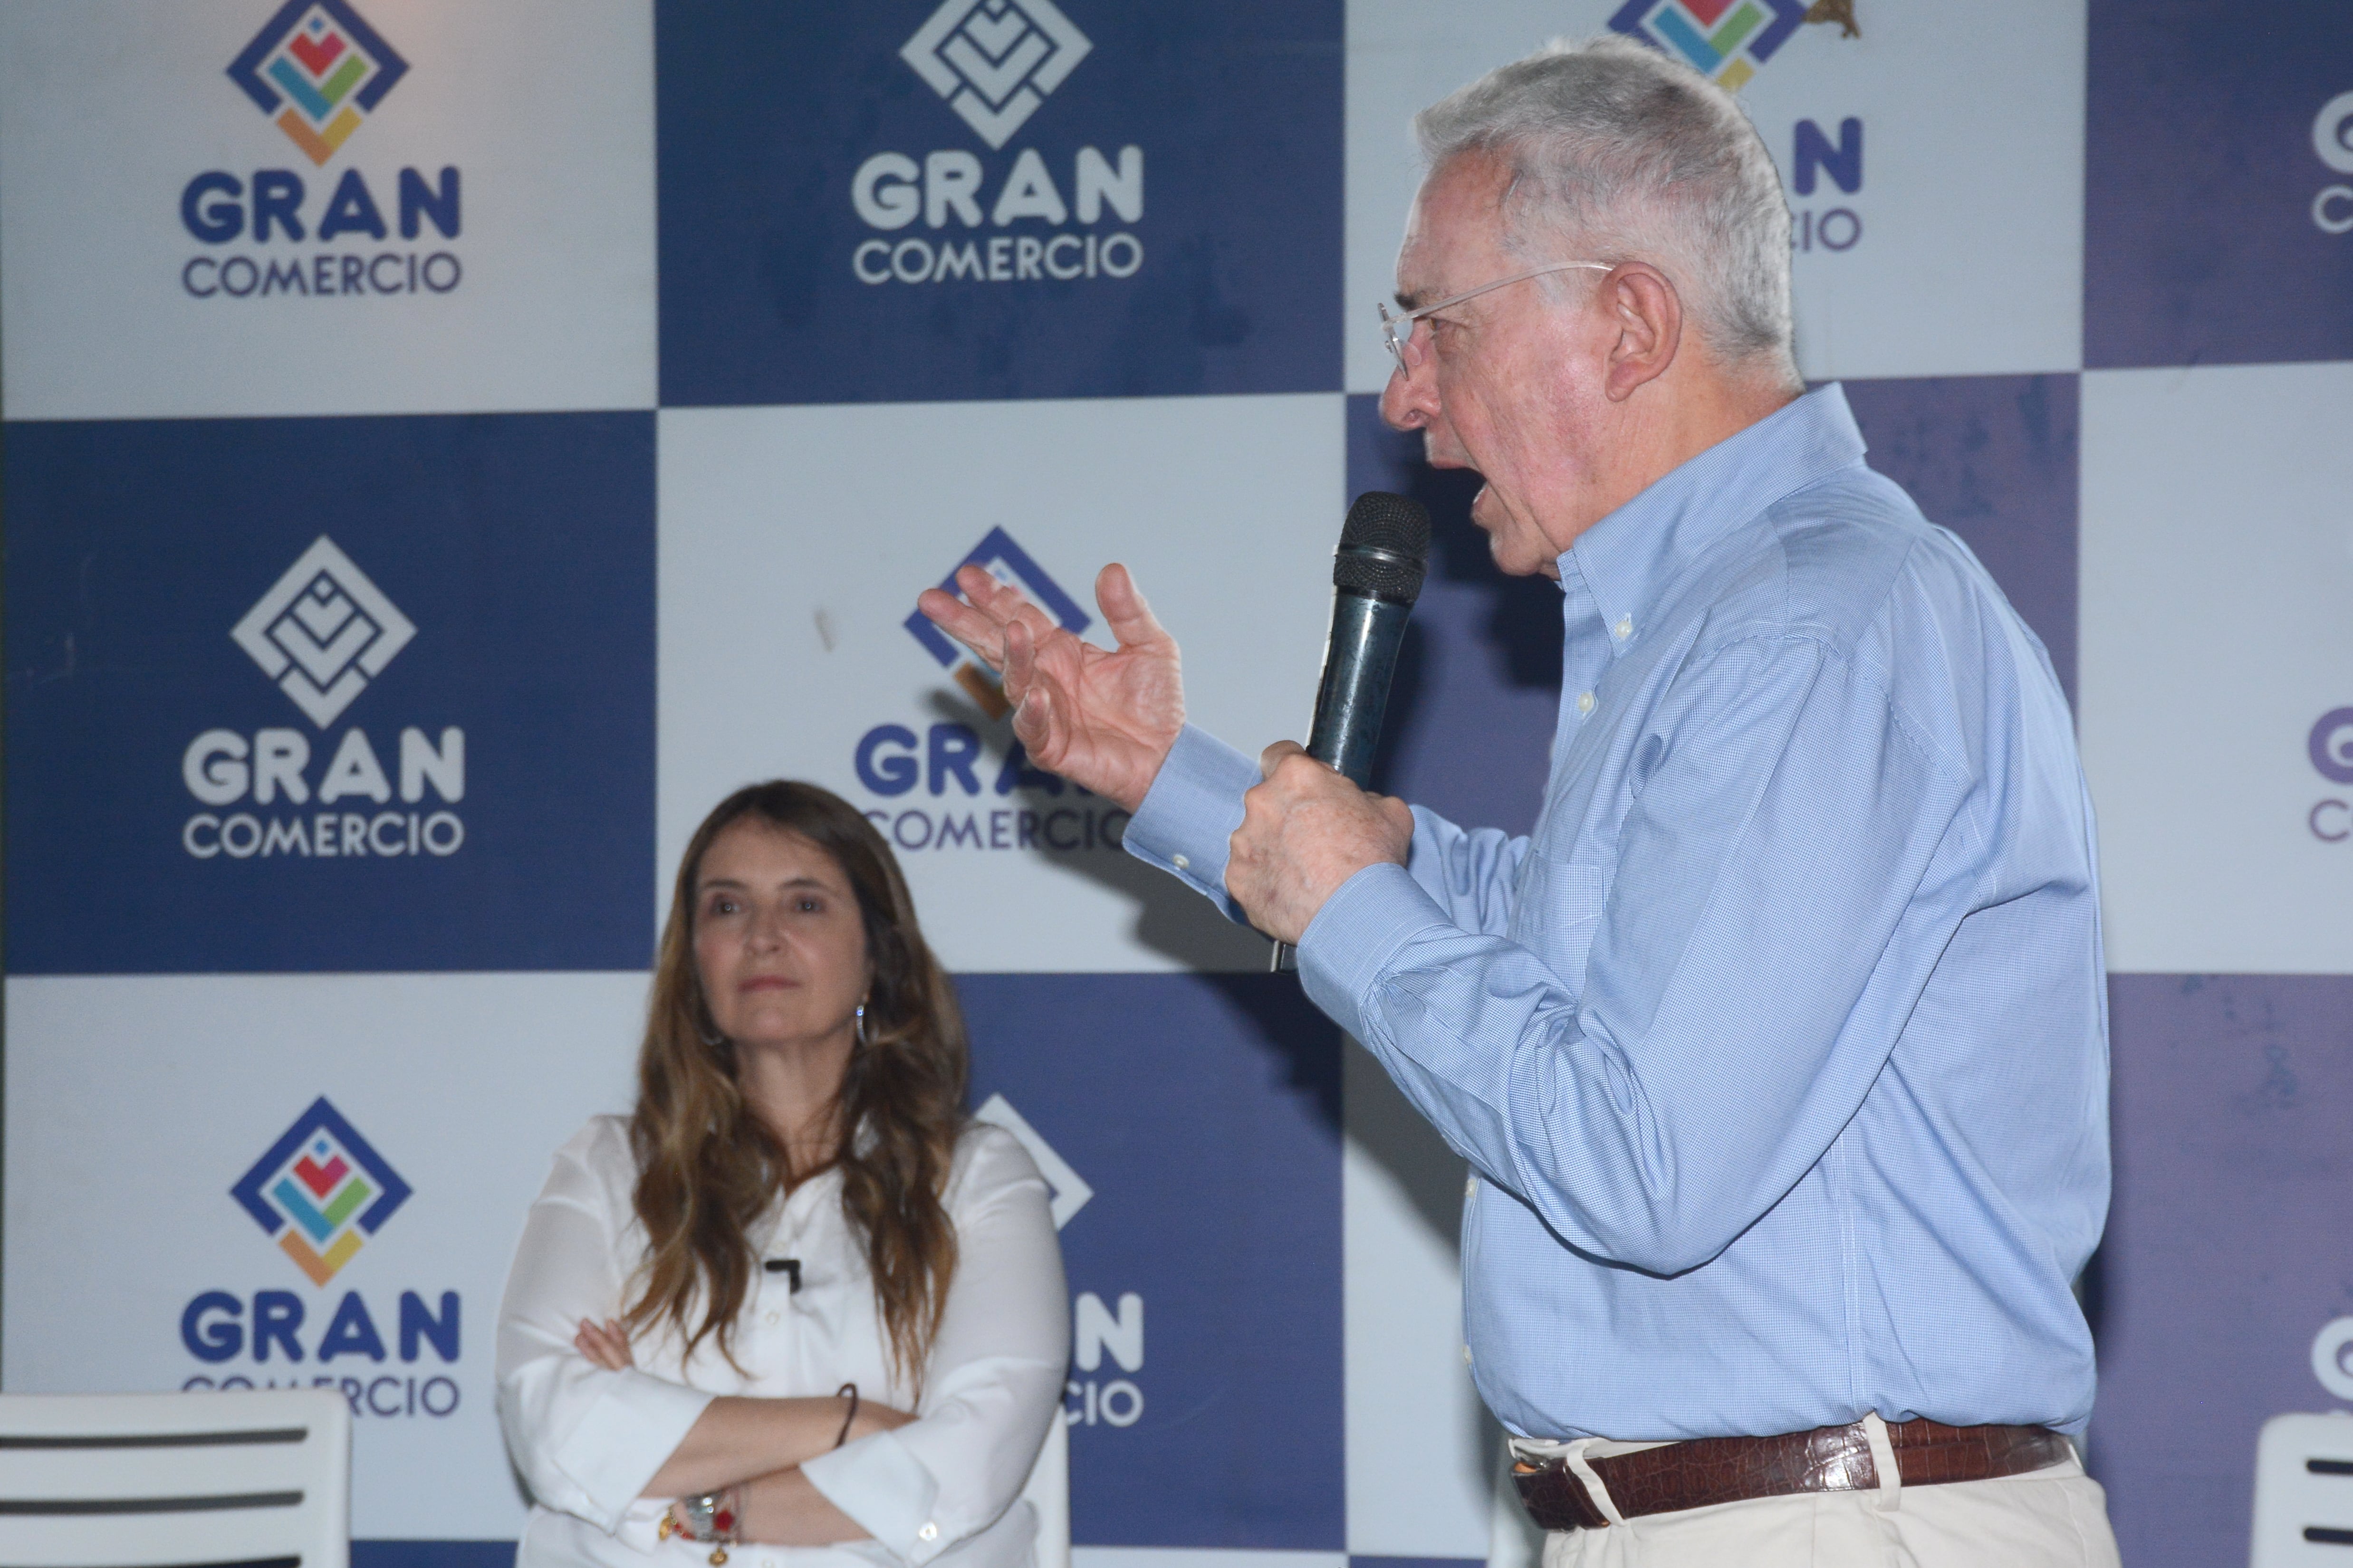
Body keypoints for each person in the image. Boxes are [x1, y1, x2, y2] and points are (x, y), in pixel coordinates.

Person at [919, 35, 2118, 1568]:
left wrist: (1349, 903)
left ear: (1628, 322)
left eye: (1436, 325)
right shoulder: (1727, 618)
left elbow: (1642, 1155)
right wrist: (1174, 779)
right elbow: (1576, 945)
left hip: (1824, 1529)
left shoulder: (1816, 624)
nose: (1405, 396)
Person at [496, 782, 1069, 1568]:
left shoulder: (977, 1177)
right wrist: (853, 1424)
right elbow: (552, 1427)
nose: (762, 937)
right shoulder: (606, 1168)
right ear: (694, 959)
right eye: (727, 907)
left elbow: (968, 1464)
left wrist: (696, 1497)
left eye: (805, 905)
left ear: (878, 955)